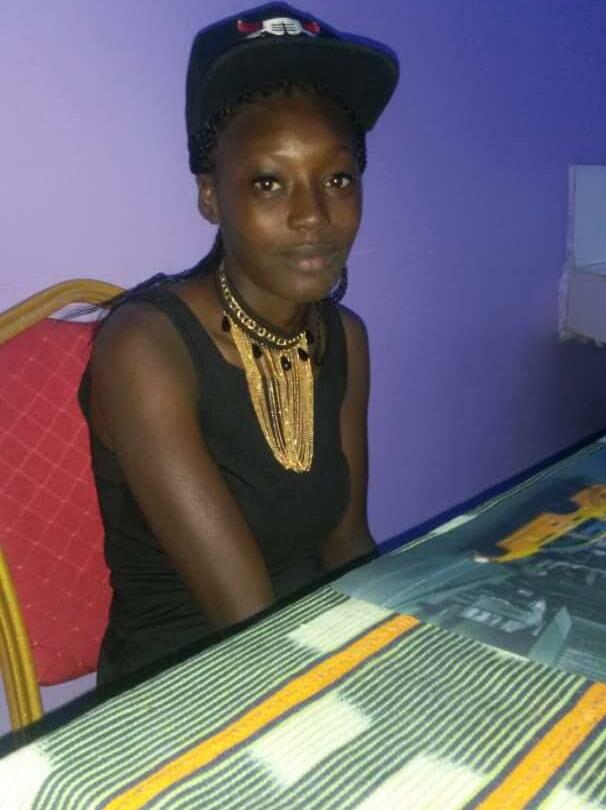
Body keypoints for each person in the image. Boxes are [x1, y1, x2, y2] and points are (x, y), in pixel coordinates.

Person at [79, 2, 399, 686]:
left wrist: (400, 649)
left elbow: (347, 543)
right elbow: (247, 618)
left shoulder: (344, 337)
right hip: (184, 690)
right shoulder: (146, 348)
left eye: (338, 178)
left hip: (313, 649)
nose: (314, 216)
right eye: (268, 182)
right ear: (210, 197)